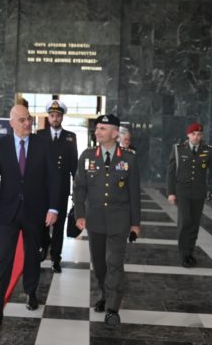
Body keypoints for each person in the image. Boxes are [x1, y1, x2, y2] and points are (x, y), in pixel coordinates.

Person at [0, 105, 60, 326]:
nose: (27, 123)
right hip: (7, 212)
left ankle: (31, 292)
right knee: (4, 258)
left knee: (32, 255)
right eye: (22, 120)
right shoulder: (1, 145)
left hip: (35, 211)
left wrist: (53, 208)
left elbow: (54, 179)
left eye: (29, 119)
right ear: (11, 123)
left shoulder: (43, 144)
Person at [74, 114, 141, 327]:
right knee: (99, 264)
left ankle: (113, 308)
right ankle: (104, 294)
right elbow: (79, 188)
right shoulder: (87, 156)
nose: (98, 132)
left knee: (114, 263)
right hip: (94, 219)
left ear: (114, 133)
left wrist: (135, 224)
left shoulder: (129, 159)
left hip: (119, 220)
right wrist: (80, 214)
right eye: (97, 128)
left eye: (102, 128)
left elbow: (134, 194)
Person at [166, 122, 212, 268]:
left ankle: (189, 253)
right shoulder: (178, 149)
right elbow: (171, 172)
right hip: (182, 191)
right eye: (194, 134)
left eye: (199, 134)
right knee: (185, 222)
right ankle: (184, 254)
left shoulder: (208, 150)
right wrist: (171, 192)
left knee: (194, 224)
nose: (196, 137)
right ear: (188, 135)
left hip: (198, 192)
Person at [37, 100, 78, 273]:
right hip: (42, 188)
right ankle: (44, 246)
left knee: (59, 225)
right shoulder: (39, 135)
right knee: (42, 223)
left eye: (58, 116)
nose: (55, 118)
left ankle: (56, 258)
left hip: (61, 188)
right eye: (52, 115)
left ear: (62, 117)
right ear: (48, 117)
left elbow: (74, 165)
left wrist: (77, 189)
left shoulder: (70, 137)